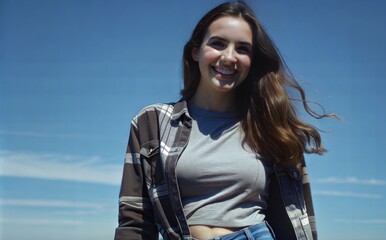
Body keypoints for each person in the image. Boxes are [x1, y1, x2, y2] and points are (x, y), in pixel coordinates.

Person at [114, 1, 334, 240]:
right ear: (195, 51)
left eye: (242, 49)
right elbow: (135, 221)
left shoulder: (272, 127)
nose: (229, 57)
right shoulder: (151, 123)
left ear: (252, 60)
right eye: (218, 44)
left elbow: (300, 216)